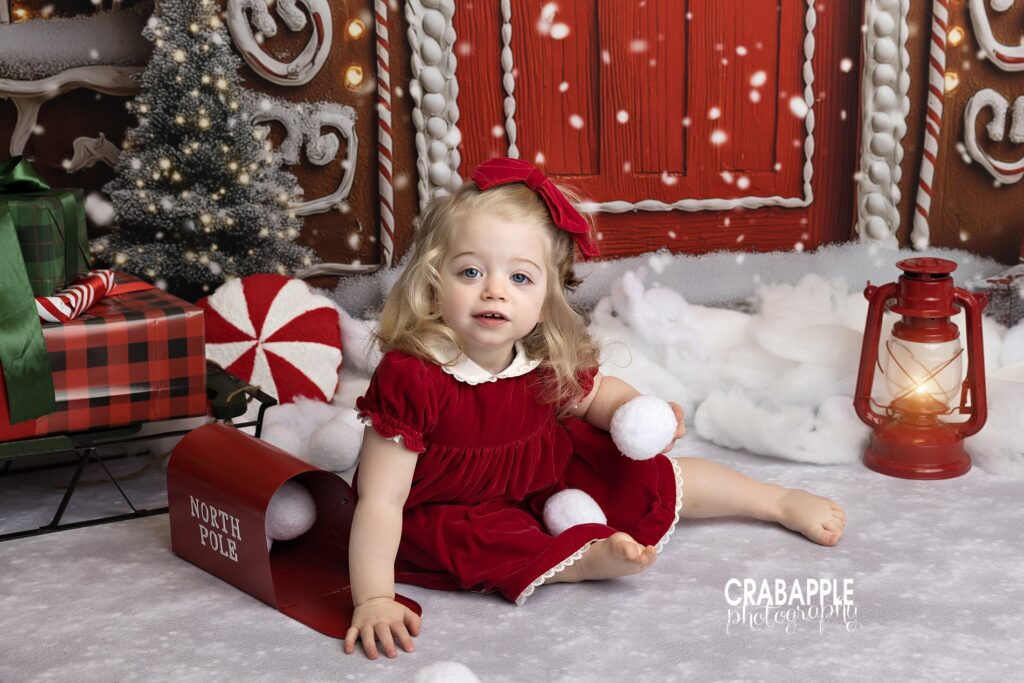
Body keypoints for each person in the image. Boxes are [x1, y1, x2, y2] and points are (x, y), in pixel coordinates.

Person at [343, 157, 846, 660]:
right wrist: (373, 599)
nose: (495, 290)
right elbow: (381, 499)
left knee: (645, 475)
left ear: (547, 295)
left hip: (543, 478)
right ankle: (579, 561)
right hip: (453, 509)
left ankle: (774, 500)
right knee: (484, 544)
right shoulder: (415, 376)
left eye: (520, 277)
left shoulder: (538, 355)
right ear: (434, 280)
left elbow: (595, 395)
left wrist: (634, 410)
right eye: (470, 271)